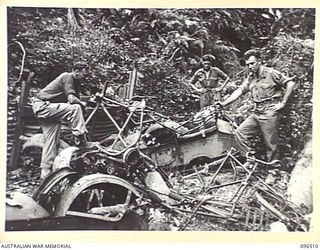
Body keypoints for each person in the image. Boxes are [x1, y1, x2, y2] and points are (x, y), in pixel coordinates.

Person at [219, 49, 296, 162]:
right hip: (256, 112)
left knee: (270, 143)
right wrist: (224, 103)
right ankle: (251, 161)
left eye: (252, 63)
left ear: (259, 61)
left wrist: (283, 103)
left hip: (270, 111)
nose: (250, 67)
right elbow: (239, 91)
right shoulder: (250, 77)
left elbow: (290, 83)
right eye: (248, 65)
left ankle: (273, 170)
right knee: (240, 133)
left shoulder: (270, 73)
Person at [32, 62, 98, 180]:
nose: (85, 76)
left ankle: (45, 173)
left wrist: (85, 103)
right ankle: (81, 140)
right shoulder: (67, 76)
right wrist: (82, 105)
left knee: (51, 142)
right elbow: (72, 100)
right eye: (84, 73)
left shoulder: (75, 83)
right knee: (75, 108)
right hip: (43, 106)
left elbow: (74, 99)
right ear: (76, 71)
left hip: (48, 111)